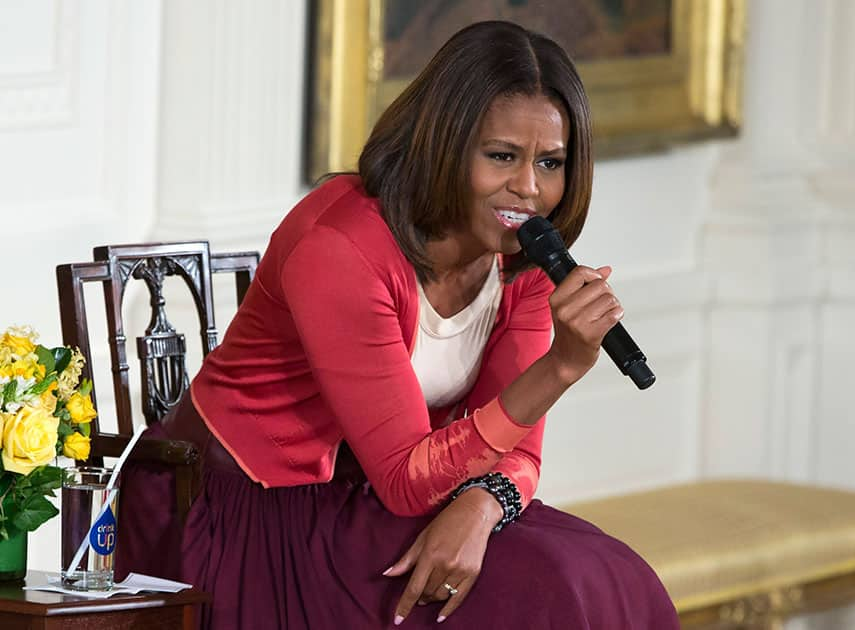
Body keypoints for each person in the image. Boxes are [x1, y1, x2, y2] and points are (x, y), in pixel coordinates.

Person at [117, 20, 679, 629]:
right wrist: (561, 367)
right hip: (250, 515)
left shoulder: (526, 258)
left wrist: (483, 508)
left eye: (551, 162)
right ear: (442, 144)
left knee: (612, 579)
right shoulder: (340, 247)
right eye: (501, 157)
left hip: (395, 500)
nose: (529, 188)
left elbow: (516, 452)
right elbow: (407, 480)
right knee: (549, 596)